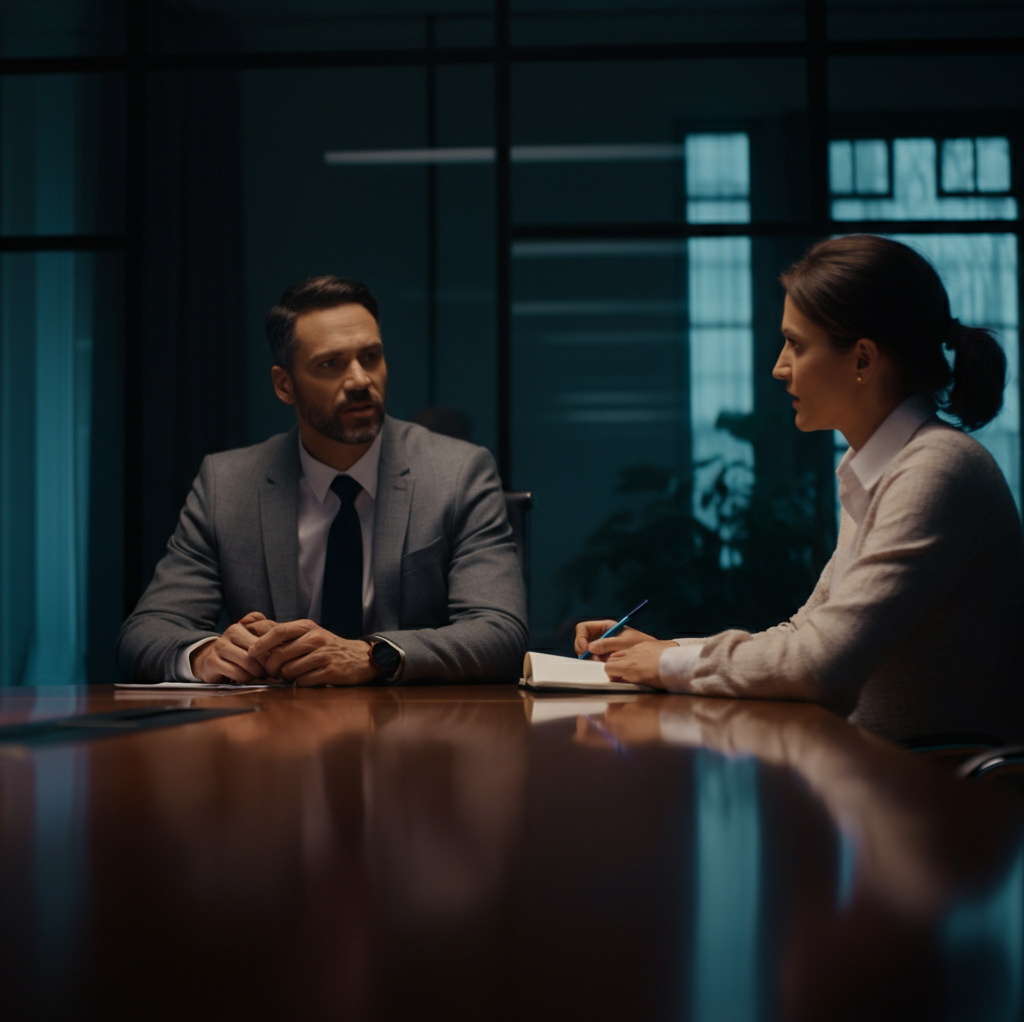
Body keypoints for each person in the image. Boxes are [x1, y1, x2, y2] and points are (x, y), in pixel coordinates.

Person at [575, 235, 1024, 741]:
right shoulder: (879, 467)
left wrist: (671, 663)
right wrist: (660, 650)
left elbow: (820, 664)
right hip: (880, 775)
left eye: (796, 344)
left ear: (862, 360)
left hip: (941, 794)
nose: (779, 367)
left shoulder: (936, 470)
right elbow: (803, 634)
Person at [118, 275, 528, 685]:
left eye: (370, 357)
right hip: (274, 733)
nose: (360, 380)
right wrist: (204, 655)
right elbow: (147, 630)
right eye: (331, 364)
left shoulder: (458, 472)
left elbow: (500, 630)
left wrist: (373, 656)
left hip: (411, 731)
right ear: (284, 385)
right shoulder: (227, 484)